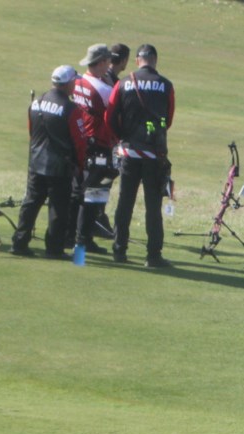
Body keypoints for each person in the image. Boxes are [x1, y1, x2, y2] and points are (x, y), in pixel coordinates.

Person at [106, 44, 175, 267]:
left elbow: (109, 116)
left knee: (125, 203)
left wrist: (121, 138)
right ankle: (153, 255)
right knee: (153, 207)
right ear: (155, 59)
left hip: (129, 152)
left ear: (137, 60)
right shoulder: (166, 85)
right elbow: (169, 119)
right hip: (154, 155)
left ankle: (119, 250)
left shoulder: (124, 83)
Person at [11, 65, 87, 259]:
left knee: (30, 203)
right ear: (68, 83)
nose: (75, 85)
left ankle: (19, 242)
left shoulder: (36, 103)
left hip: (36, 162)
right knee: (58, 209)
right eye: (74, 82)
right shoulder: (71, 109)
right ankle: (54, 249)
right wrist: (80, 164)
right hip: (59, 166)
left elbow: (31, 132)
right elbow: (80, 142)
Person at [68, 43, 117, 253]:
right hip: (99, 147)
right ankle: (83, 241)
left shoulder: (77, 81)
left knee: (77, 193)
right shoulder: (105, 90)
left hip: (79, 146)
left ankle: (70, 236)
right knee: (93, 197)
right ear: (102, 62)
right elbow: (117, 114)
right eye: (108, 61)